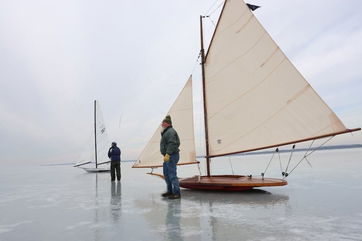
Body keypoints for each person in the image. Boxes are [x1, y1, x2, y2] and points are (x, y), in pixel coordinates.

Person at [160, 115, 181, 199]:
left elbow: (173, 143)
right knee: (166, 174)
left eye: (163, 123)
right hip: (167, 156)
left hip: (172, 155)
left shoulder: (170, 132)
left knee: (172, 174)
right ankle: (170, 191)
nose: (161, 124)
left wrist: (168, 153)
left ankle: (176, 193)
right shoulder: (166, 132)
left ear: (167, 124)